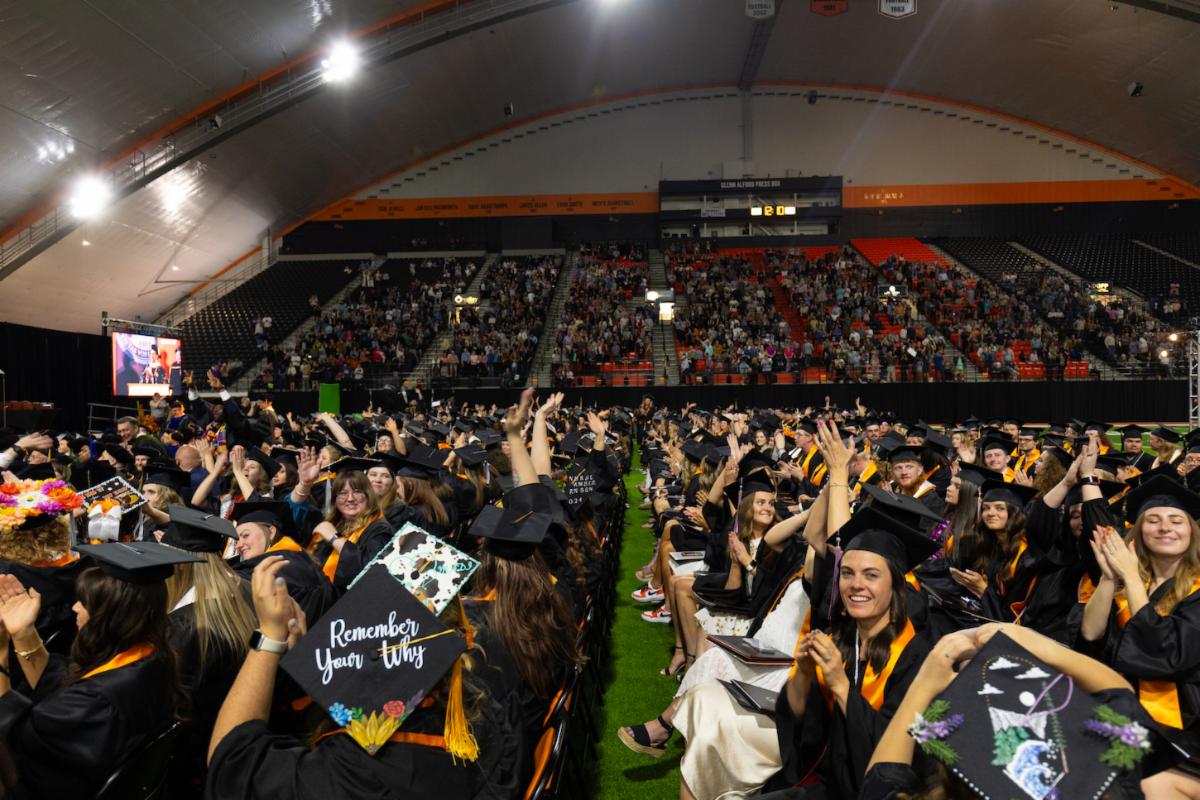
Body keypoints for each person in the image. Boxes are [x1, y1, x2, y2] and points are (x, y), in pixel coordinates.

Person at [670, 500, 936, 800]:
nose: (855, 584)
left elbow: (895, 762)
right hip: (821, 769)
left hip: (865, 789)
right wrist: (804, 674)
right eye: (847, 573)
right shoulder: (840, 638)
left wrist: (840, 686)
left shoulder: (916, 657)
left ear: (896, 585)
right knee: (706, 723)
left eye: (871, 575)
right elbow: (798, 722)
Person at [0, 542, 197, 798]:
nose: (75, 607)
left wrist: (1, 651)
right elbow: (61, 682)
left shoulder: (97, 701)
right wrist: (23, 633)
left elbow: (12, 742)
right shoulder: (154, 660)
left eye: (83, 602)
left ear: (109, 615)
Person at [1080, 475, 1200, 789]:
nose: (1165, 527)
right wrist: (1109, 578)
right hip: (1122, 713)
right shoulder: (1132, 581)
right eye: (1153, 520)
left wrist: (1131, 576)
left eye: (1176, 520)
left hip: (1183, 728)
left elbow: (1167, 652)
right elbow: (1091, 636)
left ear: (1191, 531)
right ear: (1139, 531)